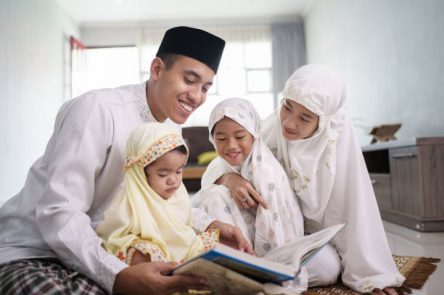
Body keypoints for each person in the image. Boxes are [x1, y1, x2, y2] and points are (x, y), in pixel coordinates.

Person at [0, 26, 251, 295]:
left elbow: (166, 197)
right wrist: (117, 276)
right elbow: (59, 212)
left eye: (205, 87)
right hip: (33, 252)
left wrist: (209, 225)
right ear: (156, 69)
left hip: (103, 251)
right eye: (189, 80)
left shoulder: (170, 127)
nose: (197, 96)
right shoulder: (97, 110)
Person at [201, 64, 405, 295]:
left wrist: (373, 277)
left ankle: (257, 275)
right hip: (261, 233)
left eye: (304, 118)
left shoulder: (337, 147)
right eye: (287, 107)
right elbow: (217, 168)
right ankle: (251, 270)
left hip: (308, 240)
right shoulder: (272, 128)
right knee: (217, 198)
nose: (289, 123)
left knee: (329, 268)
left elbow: (357, 215)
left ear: (324, 121)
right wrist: (230, 178)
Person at [192, 97, 307, 293]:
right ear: (212, 139)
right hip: (235, 235)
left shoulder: (265, 171)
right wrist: (227, 179)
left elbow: (273, 225)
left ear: (254, 134)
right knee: (211, 195)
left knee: (214, 196)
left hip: (265, 246)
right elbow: (204, 193)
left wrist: (266, 269)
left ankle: (242, 270)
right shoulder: (219, 165)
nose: (231, 145)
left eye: (240, 136)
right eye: (221, 138)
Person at [96, 122, 223, 267]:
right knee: (144, 254)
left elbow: (184, 229)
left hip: (182, 248)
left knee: (218, 244)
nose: (174, 180)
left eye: (179, 171)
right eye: (162, 174)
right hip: (152, 252)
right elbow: (115, 237)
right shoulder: (128, 201)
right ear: (140, 173)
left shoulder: (178, 196)